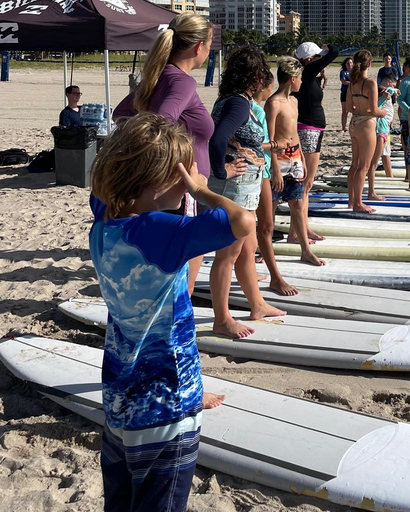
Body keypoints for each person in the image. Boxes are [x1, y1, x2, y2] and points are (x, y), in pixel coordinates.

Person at [89, 112, 255, 512]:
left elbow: (104, 193)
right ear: (160, 182)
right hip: (166, 408)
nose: (188, 183)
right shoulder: (160, 232)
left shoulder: (104, 222)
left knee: (121, 499)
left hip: (120, 398)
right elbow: (242, 221)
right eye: (182, 176)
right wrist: (202, 191)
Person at [113, 13, 215, 297]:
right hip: (181, 192)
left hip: (166, 188)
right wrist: (172, 162)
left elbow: (121, 115)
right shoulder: (182, 82)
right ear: (198, 48)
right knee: (181, 284)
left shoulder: (159, 76)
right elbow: (160, 122)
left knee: (163, 277)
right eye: (209, 45)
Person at [207, 46, 288, 338]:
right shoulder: (239, 104)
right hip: (235, 189)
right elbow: (216, 141)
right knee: (227, 255)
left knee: (244, 250)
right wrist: (221, 171)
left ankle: (257, 304)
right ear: (253, 76)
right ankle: (222, 319)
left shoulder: (228, 100)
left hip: (244, 189)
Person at [266, 57, 325, 266]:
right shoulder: (273, 103)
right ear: (292, 78)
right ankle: (266, 249)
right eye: (300, 78)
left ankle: (305, 250)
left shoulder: (294, 101)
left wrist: (302, 158)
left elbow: (295, 134)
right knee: (270, 207)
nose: (301, 82)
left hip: (295, 158)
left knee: (298, 204)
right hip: (279, 160)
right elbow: (270, 138)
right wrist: (274, 168)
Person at [253, 73, 299, 296]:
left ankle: (263, 272)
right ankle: (275, 277)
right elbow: (245, 144)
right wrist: (274, 148)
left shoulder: (255, 107)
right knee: (264, 225)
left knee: (262, 225)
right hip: (259, 171)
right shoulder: (258, 108)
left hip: (262, 169)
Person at [293, 41, 338, 243]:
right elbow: (334, 53)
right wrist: (329, 46)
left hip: (313, 129)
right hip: (308, 130)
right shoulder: (308, 71)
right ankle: (296, 232)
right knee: (305, 183)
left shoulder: (310, 76)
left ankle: (304, 228)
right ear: (310, 60)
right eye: (317, 57)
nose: (321, 61)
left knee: (307, 183)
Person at [346, 50, 385, 212]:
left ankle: (351, 201)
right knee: (364, 166)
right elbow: (375, 109)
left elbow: (349, 107)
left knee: (354, 165)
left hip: (354, 122)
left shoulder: (352, 83)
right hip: (366, 124)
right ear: (369, 64)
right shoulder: (370, 83)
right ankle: (358, 203)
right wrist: (383, 112)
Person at [365, 69, 400, 198]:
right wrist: (391, 91)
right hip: (380, 132)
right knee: (374, 162)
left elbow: (390, 91)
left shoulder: (381, 99)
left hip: (383, 132)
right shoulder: (378, 103)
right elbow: (388, 92)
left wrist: (394, 90)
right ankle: (371, 192)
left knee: (379, 159)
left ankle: (374, 188)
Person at [340, 57, 352, 131]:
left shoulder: (355, 72)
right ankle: (343, 127)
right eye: (348, 63)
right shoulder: (343, 72)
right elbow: (343, 81)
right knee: (345, 111)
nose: (349, 64)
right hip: (344, 92)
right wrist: (352, 83)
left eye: (350, 63)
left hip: (352, 93)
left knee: (354, 109)